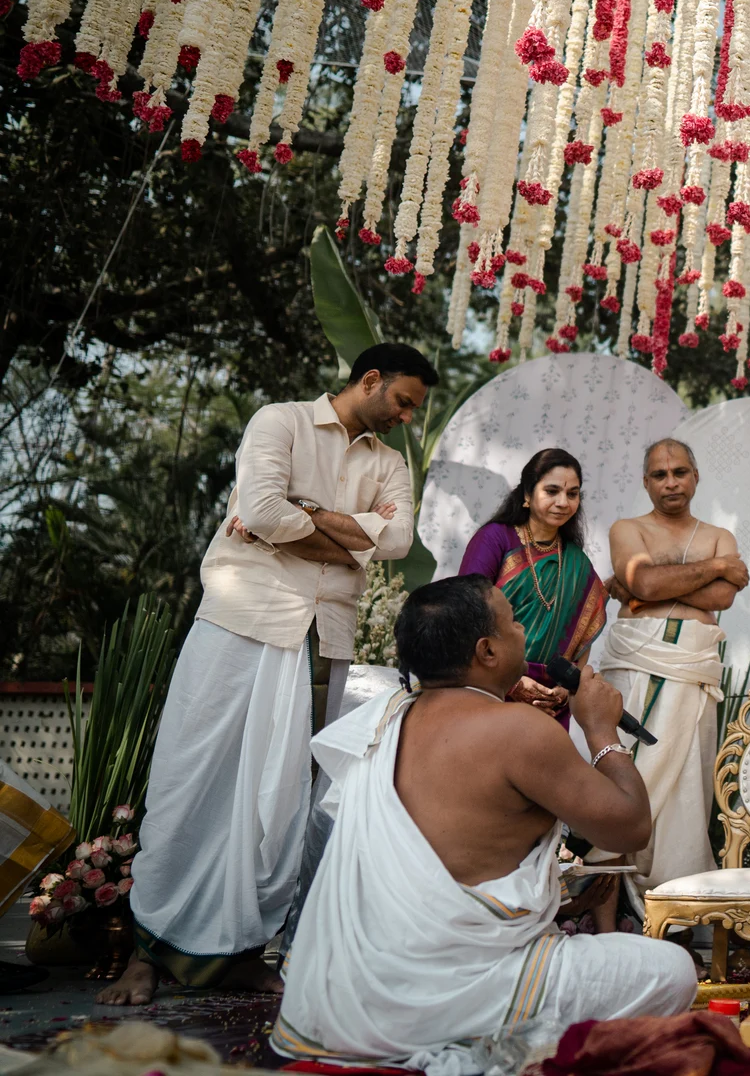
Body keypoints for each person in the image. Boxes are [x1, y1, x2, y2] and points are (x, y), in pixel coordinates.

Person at [101, 344, 435, 1006]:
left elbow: (396, 543)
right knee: (189, 780)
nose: (405, 417)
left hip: (322, 637)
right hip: (241, 620)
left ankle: (246, 952)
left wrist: (300, 517)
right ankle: (146, 954)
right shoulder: (278, 422)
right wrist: (343, 537)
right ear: (370, 380)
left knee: (284, 802)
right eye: (402, 401)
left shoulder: (389, 463)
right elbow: (259, 510)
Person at [269, 576, 697, 1069]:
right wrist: (601, 730)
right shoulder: (520, 731)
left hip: (344, 1005)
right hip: (454, 991)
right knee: (672, 971)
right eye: (513, 621)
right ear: (487, 651)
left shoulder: (384, 720)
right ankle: (485, 1046)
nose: (522, 630)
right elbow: (630, 829)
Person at [600, 438, 747, 902]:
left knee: (687, 783)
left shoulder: (718, 533)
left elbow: (721, 599)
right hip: (635, 662)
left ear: (695, 477)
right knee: (628, 768)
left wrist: (645, 591)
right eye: (660, 475)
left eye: (679, 472)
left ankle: (677, 901)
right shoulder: (627, 529)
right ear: (646, 482)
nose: (671, 483)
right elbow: (644, 578)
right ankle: (612, 900)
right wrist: (718, 567)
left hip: (691, 665)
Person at [458, 449, 608, 720]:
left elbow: (583, 637)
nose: (563, 502)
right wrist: (512, 683)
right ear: (527, 494)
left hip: (549, 702)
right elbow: (464, 613)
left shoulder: (577, 562)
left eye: (572, 494)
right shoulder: (495, 540)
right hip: (491, 686)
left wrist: (565, 687)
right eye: (552, 491)